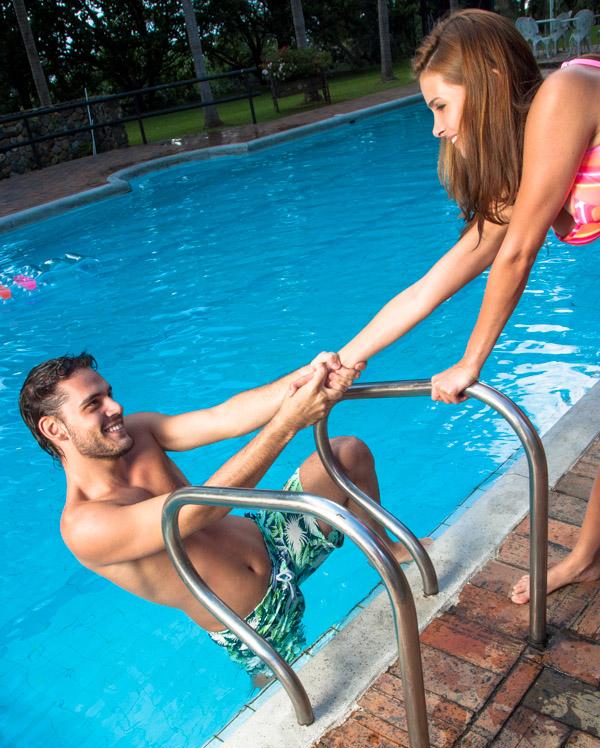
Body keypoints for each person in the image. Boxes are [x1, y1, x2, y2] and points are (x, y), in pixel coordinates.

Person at [327, 10, 600, 605]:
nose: (435, 128)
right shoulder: (524, 167)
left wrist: (469, 361)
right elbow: (432, 285)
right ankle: (587, 559)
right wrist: (342, 361)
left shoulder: (563, 93)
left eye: (440, 106)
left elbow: (519, 251)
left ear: (493, 78)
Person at [18, 351, 415, 676]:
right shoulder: (84, 525)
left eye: (108, 393)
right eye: (94, 404)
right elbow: (195, 513)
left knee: (347, 454)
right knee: (314, 696)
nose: (115, 406)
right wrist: (288, 422)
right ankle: (266, 683)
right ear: (55, 429)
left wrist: (310, 376)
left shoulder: (139, 432)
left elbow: (224, 417)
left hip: (275, 539)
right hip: (255, 622)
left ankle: (388, 552)